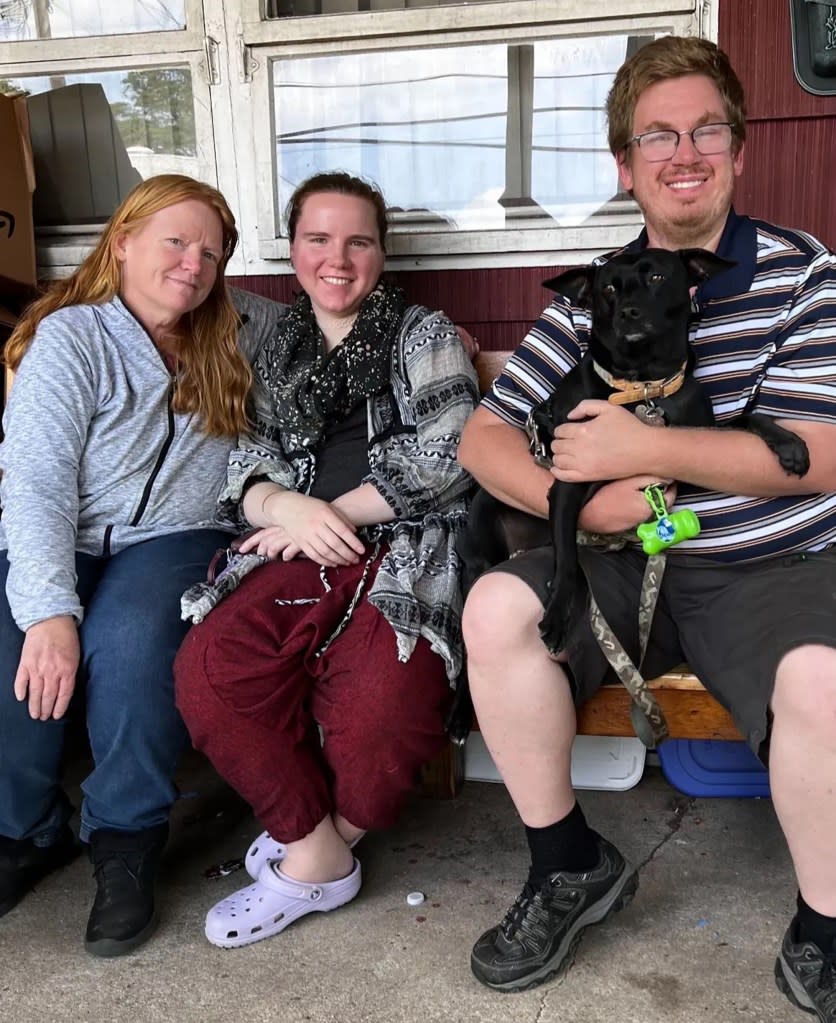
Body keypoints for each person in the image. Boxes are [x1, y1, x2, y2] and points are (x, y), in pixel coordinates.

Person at [457, 36, 836, 1020]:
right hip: (615, 562)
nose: (683, 151)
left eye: (705, 129)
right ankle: (567, 864)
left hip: (767, 566)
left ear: (739, 149)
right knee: (497, 608)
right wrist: (567, 494)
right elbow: (482, 436)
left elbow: (817, 453)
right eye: (656, 135)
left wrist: (645, 466)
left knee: (821, 677)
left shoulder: (802, 276)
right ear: (623, 165)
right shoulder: (596, 292)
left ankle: (825, 926)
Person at [173, 171, 479, 949]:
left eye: (357, 241)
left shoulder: (423, 332)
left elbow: (452, 453)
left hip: (404, 548)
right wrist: (285, 508)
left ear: (382, 253)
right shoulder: (277, 348)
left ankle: (318, 848)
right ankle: (316, 851)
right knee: (211, 669)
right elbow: (246, 458)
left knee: (387, 702)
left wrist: (331, 513)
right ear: (293, 249)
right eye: (317, 238)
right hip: (296, 548)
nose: (335, 258)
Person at [0, 174, 280, 956]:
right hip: (67, 531)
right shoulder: (72, 336)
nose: (193, 264)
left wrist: (424, 338)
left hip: (177, 534)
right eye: (174, 242)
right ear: (122, 242)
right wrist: (50, 609)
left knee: (128, 641)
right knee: (10, 644)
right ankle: (23, 829)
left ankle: (125, 842)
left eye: (211, 252)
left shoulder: (241, 327)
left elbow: (334, 321)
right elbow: (36, 480)